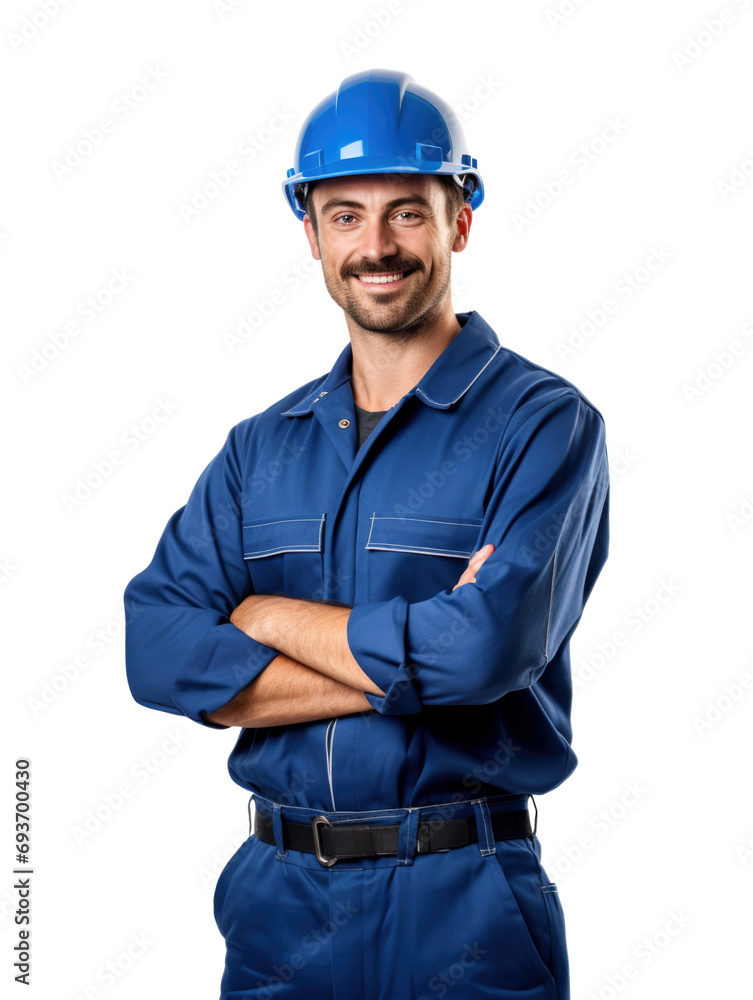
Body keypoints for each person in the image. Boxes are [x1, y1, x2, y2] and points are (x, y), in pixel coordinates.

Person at [124, 67, 610, 1000]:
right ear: (310, 233)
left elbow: (483, 654)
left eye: (407, 213)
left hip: (465, 898)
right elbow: (156, 652)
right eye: (345, 215)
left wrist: (265, 619)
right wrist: (417, 665)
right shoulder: (261, 448)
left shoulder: (542, 426)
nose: (376, 246)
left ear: (459, 219)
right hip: (278, 904)